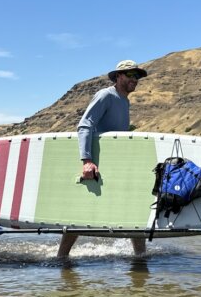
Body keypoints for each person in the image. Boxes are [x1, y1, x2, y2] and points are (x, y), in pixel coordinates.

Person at [57, 60, 148, 258]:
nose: (136, 79)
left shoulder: (124, 100)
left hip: (117, 164)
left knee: (133, 206)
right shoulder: (106, 95)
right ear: (119, 76)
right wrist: (86, 160)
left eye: (138, 76)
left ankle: (140, 258)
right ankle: (61, 258)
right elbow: (85, 125)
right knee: (81, 213)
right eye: (131, 75)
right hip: (96, 164)